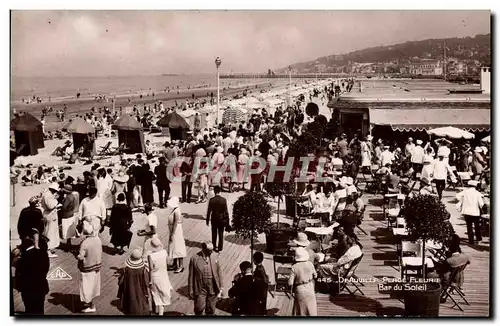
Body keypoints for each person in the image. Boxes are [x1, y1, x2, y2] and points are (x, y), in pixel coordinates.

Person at [15, 236, 50, 315]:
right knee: (39, 309)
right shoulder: (43, 254)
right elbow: (46, 269)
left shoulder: (24, 257)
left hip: (28, 289)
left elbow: (20, 273)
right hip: (40, 287)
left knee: (29, 309)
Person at [188, 241, 224, 316]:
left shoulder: (214, 256)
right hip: (200, 286)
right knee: (199, 307)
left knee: (211, 307)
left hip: (212, 285)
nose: (211, 252)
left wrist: (221, 287)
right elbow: (191, 275)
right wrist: (191, 290)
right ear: (203, 249)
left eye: (212, 250)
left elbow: (219, 272)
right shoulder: (194, 258)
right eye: (209, 250)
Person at [77, 222, 102, 313]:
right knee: (94, 286)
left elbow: (81, 256)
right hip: (96, 267)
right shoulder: (98, 240)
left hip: (87, 268)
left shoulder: (84, 243)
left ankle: (91, 306)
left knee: (87, 287)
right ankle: (90, 303)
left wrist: (77, 255)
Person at [117, 249, 150, 315]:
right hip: (140, 288)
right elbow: (146, 281)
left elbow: (121, 280)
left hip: (129, 287)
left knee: (131, 298)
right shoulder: (143, 269)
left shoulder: (126, 269)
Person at [288, 247, 317, 316]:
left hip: (300, 289)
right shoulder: (310, 264)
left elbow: (290, 283)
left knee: (300, 311)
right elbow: (315, 276)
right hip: (310, 287)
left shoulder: (294, 267)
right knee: (311, 310)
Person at [147, 238, 173, 316]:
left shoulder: (150, 256)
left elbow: (151, 269)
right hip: (164, 276)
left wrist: (150, 281)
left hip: (155, 277)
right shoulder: (164, 252)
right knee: (162, 295)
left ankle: (154, 312)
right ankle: (160, 314)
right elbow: (169, 263)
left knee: (154, 295)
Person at [456, 180, 485, 245]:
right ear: (475, 186)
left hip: (466, 211)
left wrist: (462, 200)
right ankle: (478, 239)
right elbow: (481, 203)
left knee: (469, 226)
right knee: (477, 226)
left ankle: (471, 240)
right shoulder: (477, 193)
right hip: (475, 212)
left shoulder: (465, 192)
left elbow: (457, 196)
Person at [166, 197, 187, 273]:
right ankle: (175, 264)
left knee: (178, 247)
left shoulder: (177, 211)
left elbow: (175, 223)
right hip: (173, 230)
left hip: (176, 231)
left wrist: (172, 234)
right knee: (173, 247)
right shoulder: (174, 209)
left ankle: (181, 266)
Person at [206, 186, 229, 253]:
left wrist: (207, 220)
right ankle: (220, 248)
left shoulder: (212, 200)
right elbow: (226, 211)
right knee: (221, 233)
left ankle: (213, 246)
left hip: (214, 219)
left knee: (214, 233)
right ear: (220, 191)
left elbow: (209, 211)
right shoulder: (223, 200)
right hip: (221, 219)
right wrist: (227, 221)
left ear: (214, 192)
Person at [40, 183, 60, 258]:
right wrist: (56, 203)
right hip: (50, 214)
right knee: (50, 233)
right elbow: (51, 206)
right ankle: (48, 250)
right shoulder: (49, 196)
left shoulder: (46, 194)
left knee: (47, 231)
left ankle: (48, 248)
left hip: (47, 213)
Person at [60, 184, 79, 251]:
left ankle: (67, 246)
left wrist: (61, 203)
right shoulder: (72, 196)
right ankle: (69, 244)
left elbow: (64, 207)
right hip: (71, 214)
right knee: (69, 232)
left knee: (66, 231)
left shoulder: (68, 197)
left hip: (66, 215)